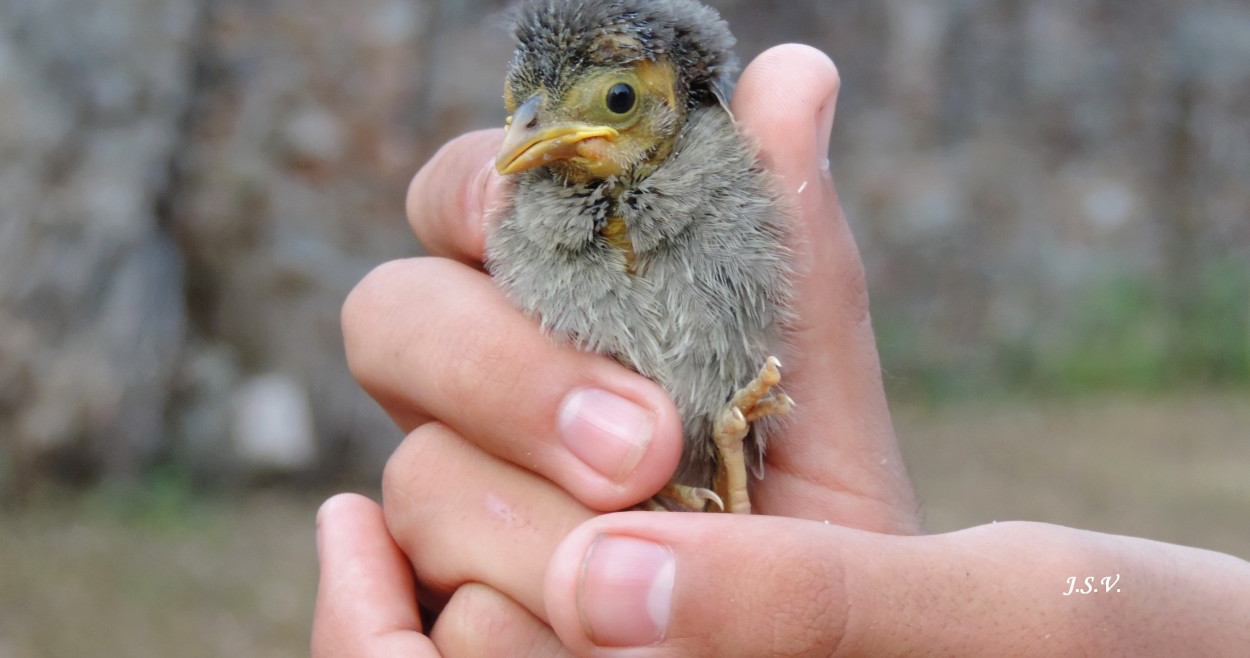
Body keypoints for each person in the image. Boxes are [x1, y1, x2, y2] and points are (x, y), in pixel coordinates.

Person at [313, 45, 1250, 657]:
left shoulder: (721, 194)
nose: (529, 133)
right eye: (523, 107)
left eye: (620, 99)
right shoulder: (532, 211)